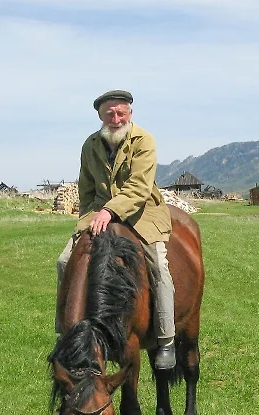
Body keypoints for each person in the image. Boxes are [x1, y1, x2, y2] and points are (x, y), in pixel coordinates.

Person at [56, 90, 176, 369]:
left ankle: (166, 339)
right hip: (98, 213)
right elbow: (85, 188)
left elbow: (139, 187)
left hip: (141, 211)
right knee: (64, 261)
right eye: (110, 113)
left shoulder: (144, 140)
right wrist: (89, 218)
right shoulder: (90, 145)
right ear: (100, 116)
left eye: (121, 112)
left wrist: (111, 211)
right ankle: (66, 334)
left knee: (159, 265)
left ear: (130, 114)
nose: (116, 118)